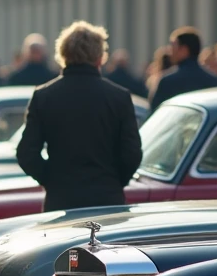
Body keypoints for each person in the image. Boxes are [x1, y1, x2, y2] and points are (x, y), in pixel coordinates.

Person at [17, 22, 142, 211]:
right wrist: (114, 181)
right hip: (107, 199)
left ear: (63, 56)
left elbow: (26, 153)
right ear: (100, 58)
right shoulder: (119, 97)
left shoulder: (44, 96)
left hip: (61, 200)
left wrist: (51, 180)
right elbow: (132, 153)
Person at [150, 26, 217, 108]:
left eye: (173, 47)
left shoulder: (167, 81)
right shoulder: (216, 82)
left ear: (184, 50)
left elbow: (155, 111)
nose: (170, 52)